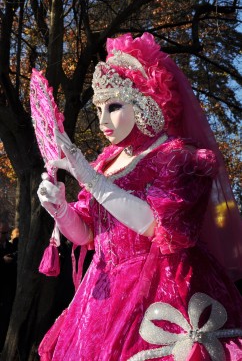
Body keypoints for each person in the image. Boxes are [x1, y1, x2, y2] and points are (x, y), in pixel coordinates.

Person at [37, 33, 242, 361]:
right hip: (99, 300)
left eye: (114, 106)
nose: (103, 121)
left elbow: (156, 226)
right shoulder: (106, 163)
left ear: (145, 102)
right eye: (99, 109)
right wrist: (60, 208)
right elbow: (89, 234)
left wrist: (90, 178)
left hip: (163, 288)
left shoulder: (177, 158)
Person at [0, 223, 18, 351]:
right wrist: (2, 261)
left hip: (8, 288)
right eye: (2, 233)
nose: (5, 236)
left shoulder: (11, 247)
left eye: (6, 233)